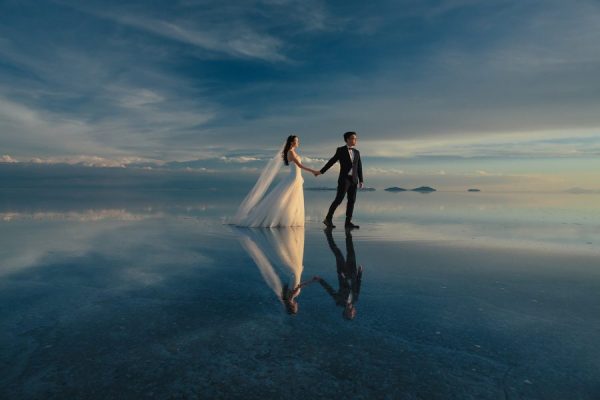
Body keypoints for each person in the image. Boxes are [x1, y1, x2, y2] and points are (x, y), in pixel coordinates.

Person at [232, 135, 319, 227]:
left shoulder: (293, 152)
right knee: (285, 199)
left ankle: (286, 219)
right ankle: (279, 219)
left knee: (291, 200)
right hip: (293, 178)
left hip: (296, 178)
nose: (298, 142)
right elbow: (300, 166)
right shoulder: (291, 153)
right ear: (291, 142)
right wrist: (313, 171)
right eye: (296, 141)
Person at [315, 131, 363, 229]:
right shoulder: (340, 150)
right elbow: (332, 161)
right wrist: (321, 171)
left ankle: (348, 222)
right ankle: (328, 219)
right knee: (339, 199)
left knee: (352, 201)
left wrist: (361, 180)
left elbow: (359, 167)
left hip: (354, 179)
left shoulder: (357, 152)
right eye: (353, 138)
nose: (355, 140)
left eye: (356, 138)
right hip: (344, 179)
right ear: (347, 139)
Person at [315, 228, 363, 320]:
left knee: (337, 252)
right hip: (353, 272)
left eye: (351, 313)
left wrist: (320, 280)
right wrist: (360, 274)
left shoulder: (339, 301)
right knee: (351, 251)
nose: (353, 312)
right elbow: (358, 287)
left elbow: (330, 290)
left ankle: (328, 233)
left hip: (342, 272)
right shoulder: (355, 300)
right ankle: (348, 232)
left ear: (345, 312)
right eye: (353, 313)